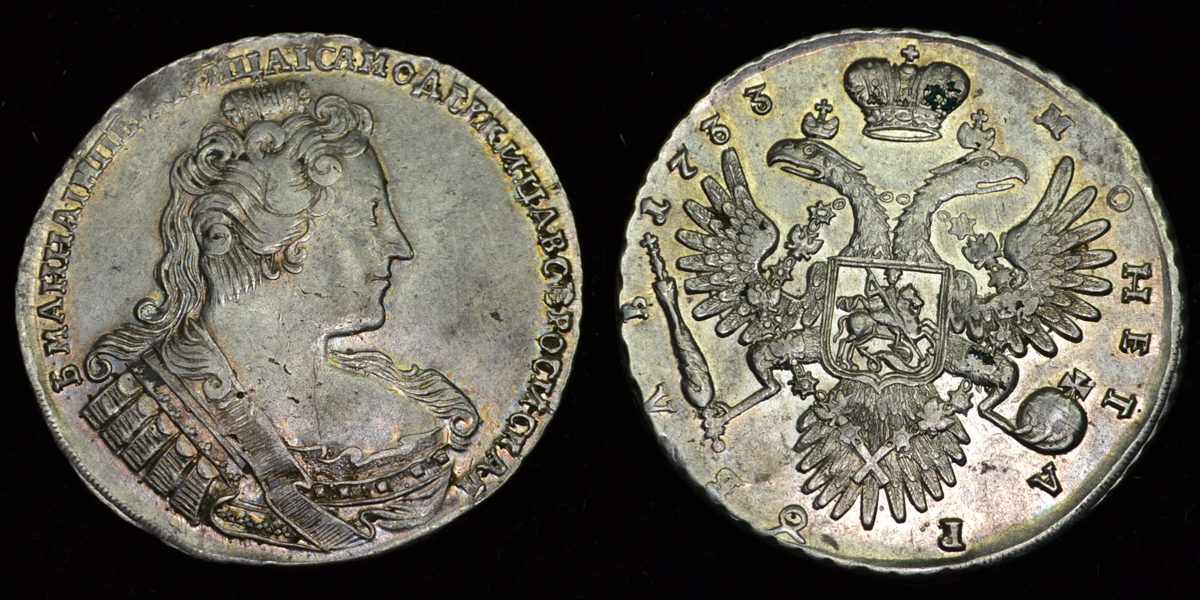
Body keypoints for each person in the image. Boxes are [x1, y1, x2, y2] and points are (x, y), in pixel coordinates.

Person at [80, 82, 479, 551]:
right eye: (371, 215)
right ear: (271, 239)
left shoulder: (405, 424)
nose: (399, 246)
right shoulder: (134, 418)